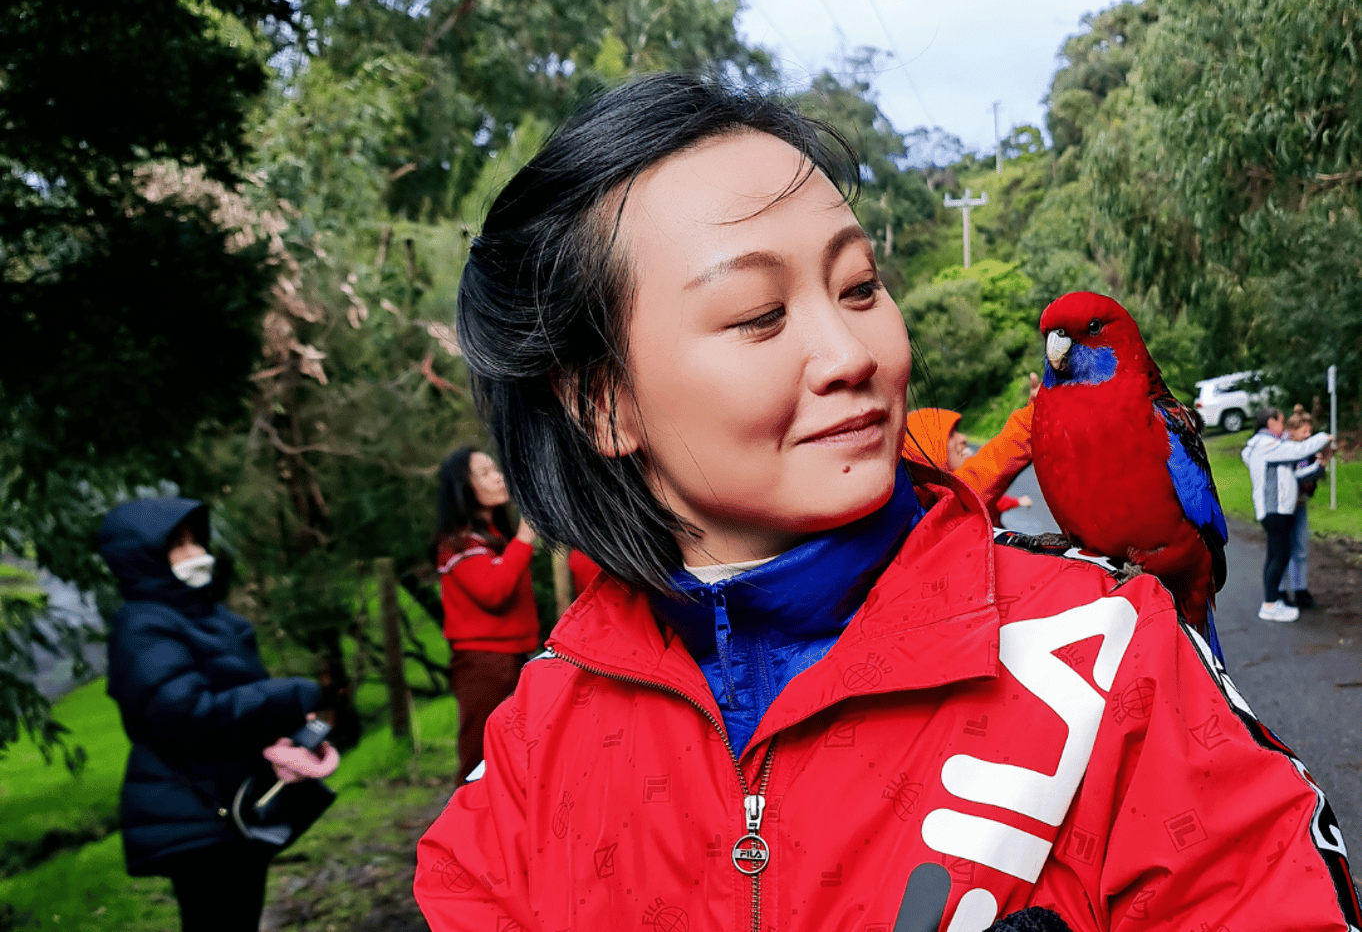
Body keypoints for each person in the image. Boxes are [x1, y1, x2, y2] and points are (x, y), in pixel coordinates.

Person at [414, 75, 1359, 932]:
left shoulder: (1115, 658)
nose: (853, 354)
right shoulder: (538, 738)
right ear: (602, 401)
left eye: (860, 286)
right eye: (759, 315)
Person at [101, 497, 338, 932]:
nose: (196, 554)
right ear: (143, 556)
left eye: (195, 540)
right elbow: (185, 713)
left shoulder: (203, 617)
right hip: (194, 810)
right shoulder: (144, 626)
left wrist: (287, 730)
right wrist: (288, 696)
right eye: (177, 545)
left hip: (229, 804)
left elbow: (233, 700)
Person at [433, 447, 540, 784]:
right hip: (482, 665)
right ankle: (463, 832)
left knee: (519, 754)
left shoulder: (494, 539)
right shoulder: (458, 546)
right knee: (480, 761)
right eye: (485, 473)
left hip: (514, 658)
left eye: (496, 468)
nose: (498, 476)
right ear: (464, 488)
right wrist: (524, 539)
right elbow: (494, 592)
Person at [903, 373, 1040, 525]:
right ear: (927, 451)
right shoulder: (948, 503)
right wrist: (1032, 417)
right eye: (950, 435)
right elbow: (989, 468)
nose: (963, 438)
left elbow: (993, 498)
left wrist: (1016, 502)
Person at [1241, 406, 1334, 623]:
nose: (1284, 428)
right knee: (1280, 556)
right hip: (1274, 509)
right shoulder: (1266, 444)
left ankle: (1273, 602)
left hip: (1277, 509)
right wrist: (1324, 436)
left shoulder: (1266, 447)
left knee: (1276, 555)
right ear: (1271, 422)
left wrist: (1321, 464)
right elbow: (1299, 451)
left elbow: (1293, 475)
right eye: (1281, 422)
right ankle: (1270, 604)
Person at [1279, 406, 1328, 608]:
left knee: (1301, 548)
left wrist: (1320, 467)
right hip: (1282, 507)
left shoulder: (1307, 451)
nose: (1308, 436)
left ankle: (1300, 589)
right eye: (1304, 432)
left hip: (1300, 505)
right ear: (1292, 431)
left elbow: (1311, 478)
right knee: (1282, 549)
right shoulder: (1282, 449)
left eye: (1310, 432)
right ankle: (1280, 590)